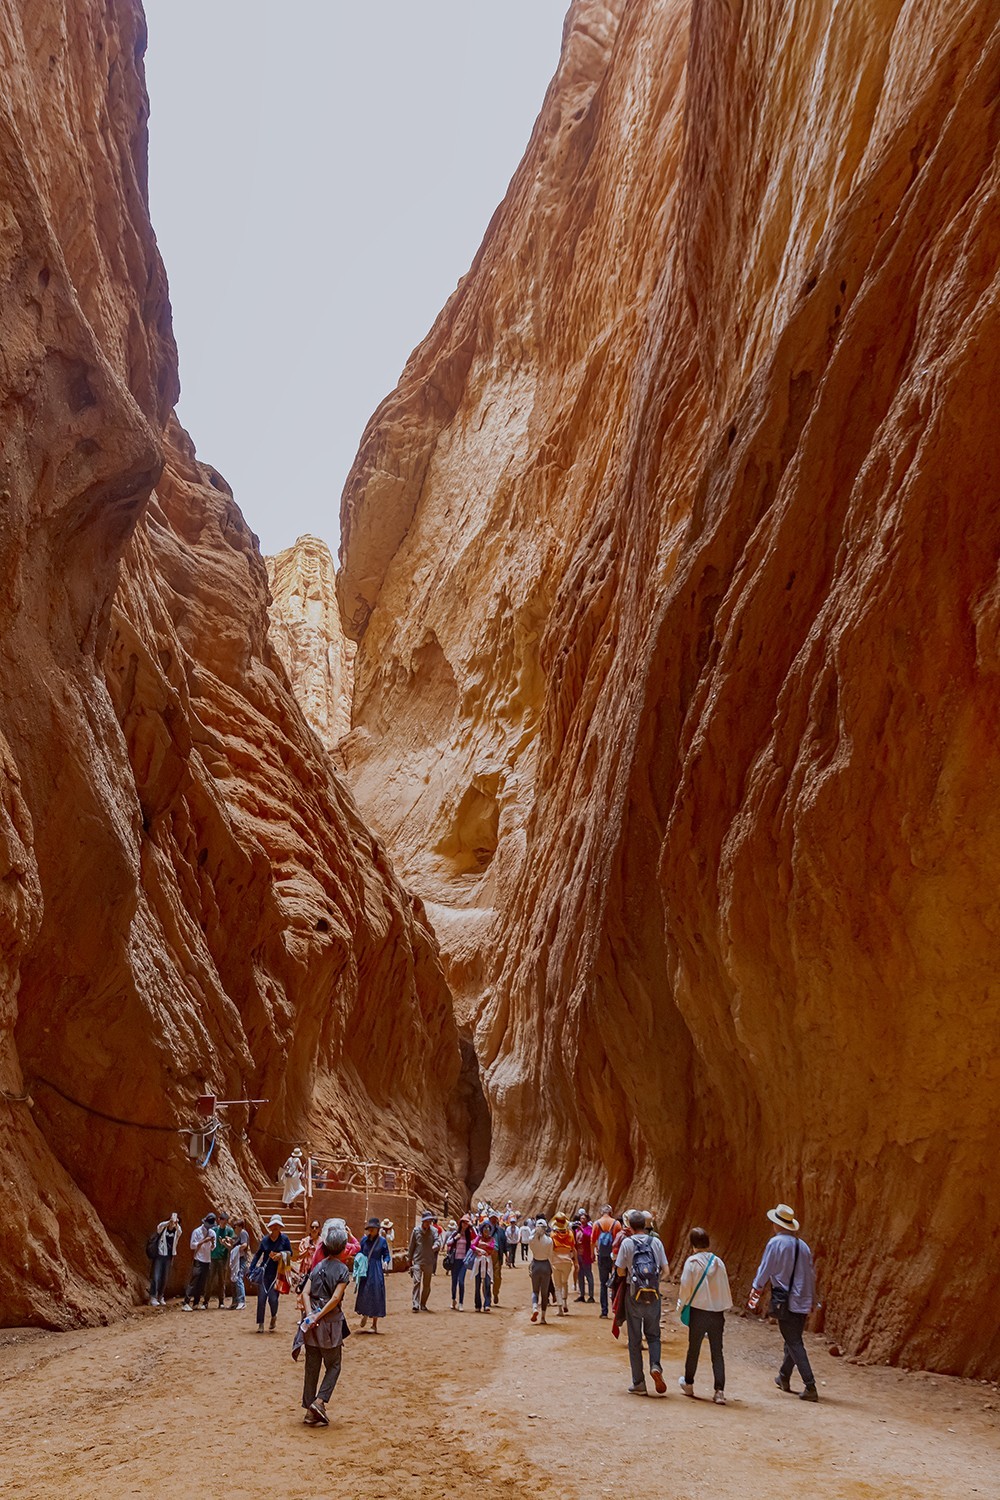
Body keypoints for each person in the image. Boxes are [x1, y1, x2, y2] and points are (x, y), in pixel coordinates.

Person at [750, 1203, 819, 1402]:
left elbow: (765, 1269)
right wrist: (813, 1300)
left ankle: (810, 1385)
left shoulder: (776, 1243)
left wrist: (756, 1291)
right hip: (802, 1300)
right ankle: (783, 1376)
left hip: (785, 1300)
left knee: (794, 1341)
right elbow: (810, 1275)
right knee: (793, 1338)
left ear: (777, 1224)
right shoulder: (803, 1246)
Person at [299, 1219, 352, 1426]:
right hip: (331, 1325)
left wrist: (311, 1315)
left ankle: (309, 1410)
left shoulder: (317, 1266)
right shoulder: (342, 1270)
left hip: (312, 1325)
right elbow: (336, 1298)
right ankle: (319, 1402)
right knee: (334, 1364)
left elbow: (305, 1293)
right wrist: (320, 1316)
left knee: (312, 1366)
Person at [615, 1209, 669, 1395]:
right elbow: (666, 1270)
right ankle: (655, 1366)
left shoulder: (627, 1243)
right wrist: (654, 1281)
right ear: (645, 1225)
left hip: (634, 1295)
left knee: (635, 1339)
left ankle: (639, 1383)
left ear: (630, 1226)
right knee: (653, 1335)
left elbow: (620, 1270)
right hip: (653, 1294)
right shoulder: (656, 1242)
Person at [677, 1227, 733, 1404]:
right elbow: (724, 1286)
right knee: (717, 1351)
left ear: (692, 1244)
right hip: (717, 1313)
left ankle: (688, 1383)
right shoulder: (718, 1262)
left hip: (698, 1311)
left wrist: (681, 1304)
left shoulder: (692, 1262)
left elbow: (685, 1286)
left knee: (694, 1348)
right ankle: (719, 1391)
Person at [248, 1214, 292, 1332]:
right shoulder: (265, 1240)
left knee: (273, 1299)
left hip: (277, 1274)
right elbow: (258, 1255)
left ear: (280, 1227)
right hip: (264, 1273)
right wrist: (251, 1269)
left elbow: (290, 1253)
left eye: (277, 1225)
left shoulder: (285, 1239)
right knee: (261, 1298)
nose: (275, 1227)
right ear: (271, 1227)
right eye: (274, 1225)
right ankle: (260, 1324)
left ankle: (273, 1316)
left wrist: (281, 1255)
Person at [355, 1217, 392, 1332]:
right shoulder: (364, 1240)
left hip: (376, 1270)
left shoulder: (382, 1241)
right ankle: (365, 1313)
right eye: (370, 1228)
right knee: (364, 1291)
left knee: (376, 1293)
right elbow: (360, 1252)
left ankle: (374, 1324)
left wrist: (385, 1261)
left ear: (377, 1229)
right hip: (365, 1269)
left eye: (373, 1228)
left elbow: (386, 1254)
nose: (371, 1230)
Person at [182, 1214, 217, 1310]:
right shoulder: (197, 1231)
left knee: (202, 1283)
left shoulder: (212, 1233)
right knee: (194, 1281)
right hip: (198, 1259)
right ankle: (186, 1302)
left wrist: (212, 1242)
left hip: (207, 1260)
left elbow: (213, 1248)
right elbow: (192, 1245)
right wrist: (204, 1241)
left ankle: (196, 1302)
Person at [593, 1205, 621, 1317]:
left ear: (601, 1212)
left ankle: (604, 1311)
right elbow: (619, 1241)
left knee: (603, 1284)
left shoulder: (597, 1224)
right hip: (614, 1257)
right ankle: (616, 1309)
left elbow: (592, 1240)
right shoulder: (616, 1224)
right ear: (611, 1212)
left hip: (602, 1256)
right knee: (615, 1283)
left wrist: (593, 1253)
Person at [148, 1212, 181, 1305]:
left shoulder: (176, 1232)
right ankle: (153, 1296)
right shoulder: (163, 1229)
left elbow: (180, 1231)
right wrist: (168, 1222)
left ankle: (161, 1296)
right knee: (156, 1276)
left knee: (165, 1277)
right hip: (159, 1255)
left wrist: (176, 1224)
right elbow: (159, 1226)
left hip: (169, 1257)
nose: (172, 1223)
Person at [550, 1212, 578, 1316]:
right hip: (567, 1261)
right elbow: (573, 1249)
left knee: (557, 1286)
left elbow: (551, 1248)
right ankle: (565, 1303)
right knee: (564, 1282)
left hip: (556, 1261)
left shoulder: (553, 1235)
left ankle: (560, 1309)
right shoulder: (570, 1234)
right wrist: (576, 1262)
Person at [408, 1211, 437, 1312]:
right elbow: (412, 1245)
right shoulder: (416, 1231)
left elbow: (438, 1240)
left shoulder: (434, 1231)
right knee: (417, 1281)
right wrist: (409, 1259)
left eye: (430, 1221)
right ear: (423, 1221)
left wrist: (436, 1245)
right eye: (426, 1221)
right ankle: (415, 1304)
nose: (428, 1223)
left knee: (427, 1285)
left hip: (429, 1261)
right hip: (418, 1261)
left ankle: (423, 1303)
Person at [528, 1217, 554, 1325]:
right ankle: (543, 1317)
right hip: (545, 1265)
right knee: (544, 1293)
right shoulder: (549, 1241)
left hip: (536, 1264)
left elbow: (532, 1249)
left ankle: (534, 1308)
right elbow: (550, 1255)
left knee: (535, 1291)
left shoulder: (531, 1240)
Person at [206, 1212, 234, 1308]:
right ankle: (206, 1301)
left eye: (225, 1221)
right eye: (222, 1220)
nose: (223, 1222)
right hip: (213, 1257)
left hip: (223, 1258)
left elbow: (232, 1245)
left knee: (222, 1281)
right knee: (209, 1280)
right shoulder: (213, 1230)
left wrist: (225, 1243)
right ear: (219, 1220)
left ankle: (221, 1301)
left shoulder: (229, 1231)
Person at [446, 1214, 473, 1310]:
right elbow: (448, 1243)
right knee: (454, 1281)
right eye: (463, 1222)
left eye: (466, 1223)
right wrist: (455, 1238)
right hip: (455, 1260)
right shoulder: (455, 1233)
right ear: (460, 1223)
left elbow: (474, 1240)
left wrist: (472, 1226)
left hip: (463, 1261)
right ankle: (453, 1299)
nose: (465, 1224)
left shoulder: (468, 1235)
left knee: (461, 1282)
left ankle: (461, 1303)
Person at [472, 1221, 495, 1312]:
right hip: (479, 1262)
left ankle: (487, 1303)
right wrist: (479, 1249)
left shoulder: (491, 1239)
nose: (486, 1230)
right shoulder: (478, 1238)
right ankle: (477, 1305)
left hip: (487, 1262)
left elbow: (492, 1248)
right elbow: (472, 1246)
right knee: (477, 1284)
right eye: (485, 1228)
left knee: (487, 1283)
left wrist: (483, 1245)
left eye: (488, 1228)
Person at [228, 1218, 250, 1310]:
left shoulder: (243, 1233)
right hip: (236, 1259)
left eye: (235, 1227)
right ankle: (235, 1301)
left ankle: (241, 1301)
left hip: (241, 1259)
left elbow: (245, 1245)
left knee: (238, 1278)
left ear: (240, 1227)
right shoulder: (237, 1235)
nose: (234, 1228)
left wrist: (237, 1249)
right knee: (234, 1279)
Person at [574, 1211, 595, 1304]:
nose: (582, 1220)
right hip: (578, 1254)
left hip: (586, 1255)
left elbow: (589, 1237)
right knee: (580, 1275)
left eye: (584, 1218)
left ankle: (591, 1296)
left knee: (588, 1275)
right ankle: (582, 1294)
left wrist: (582, 1230)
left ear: (587, 1220)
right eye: (581, 1218)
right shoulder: (577, 1230)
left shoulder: (589, 1229)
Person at [490, 1214, 505, 1305]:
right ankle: (487, 1298)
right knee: (486, 1277)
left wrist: (507, 1255)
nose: (493, 1220)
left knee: (497, 1277)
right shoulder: (486, 1229)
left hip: (497, 1255)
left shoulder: (501, 1231)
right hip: (487, 1255)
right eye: (491, 1218)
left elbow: (504, 1242)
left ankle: (495, 1293)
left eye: (494, 1219)